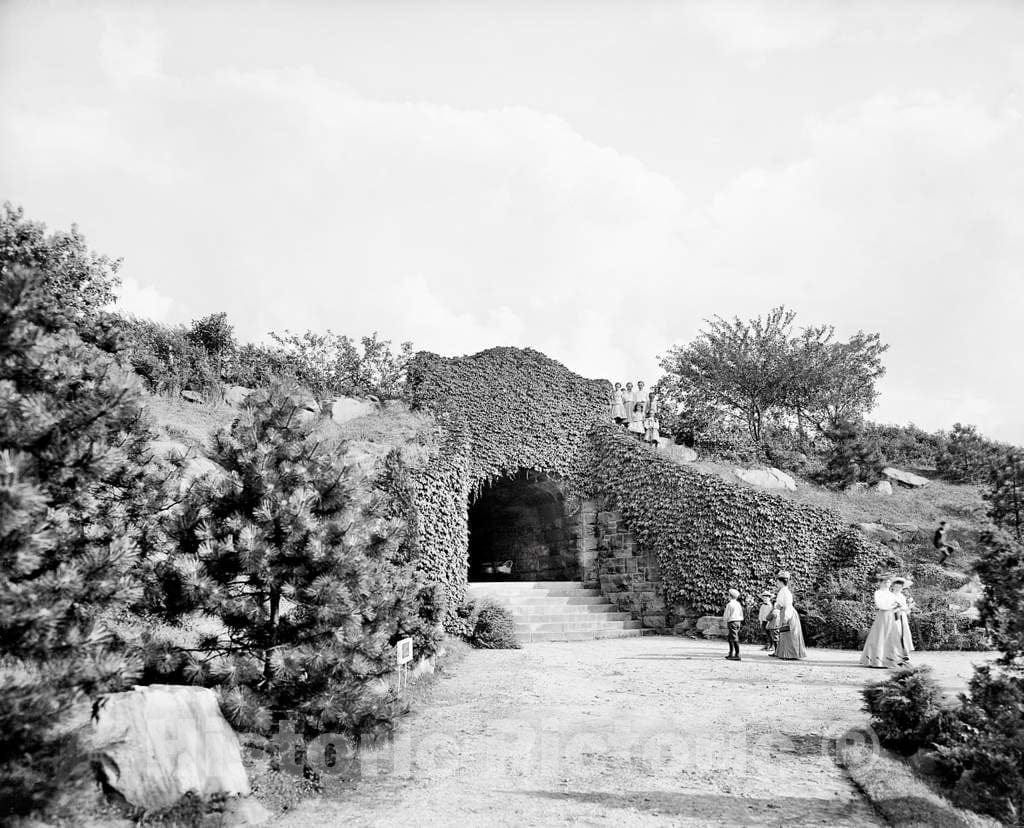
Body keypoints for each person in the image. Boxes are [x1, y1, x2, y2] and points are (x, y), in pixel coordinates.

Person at [860, 574, 902, 668]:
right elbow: (880, 605)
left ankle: (890, 660)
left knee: (891, 637)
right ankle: (876, 661)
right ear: (881, 583)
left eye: (889, 582)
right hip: (882, 616)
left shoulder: (891, 594)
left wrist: (897, 607)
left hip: (891, 616)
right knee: (879, 636)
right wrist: (891, 606)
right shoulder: (878, 593)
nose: (887, 583)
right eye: (885, 582)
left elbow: (895, 606)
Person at [772, 571, 807, 660]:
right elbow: (779, 604)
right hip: (783, 611)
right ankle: (783, 653)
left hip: (788, 612)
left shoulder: (786, 592)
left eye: (777, 582)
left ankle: (790, 654)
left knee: (788, 633)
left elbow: (788, 605)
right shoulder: (782, 591)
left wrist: (786, 617)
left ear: (780, 582)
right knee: (783, 633)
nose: (777, 583)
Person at [890, 577, 916, 663]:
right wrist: (899, 608)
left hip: (902, 617)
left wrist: (908, 607)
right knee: (895, 634)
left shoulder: (902, 596)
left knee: (903, 635)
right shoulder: (889, 595)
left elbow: (906, 609)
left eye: (900, 587)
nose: (898, 588)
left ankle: (904, 654)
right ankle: (892, 654)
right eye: (896, 586)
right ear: (893, 586)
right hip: (893, 617)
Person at [723, 588, 744, 660]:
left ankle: (737, 654)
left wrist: (724, 620)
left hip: (732, 622)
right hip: (738, 621)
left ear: (730, 596)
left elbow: (726, 615)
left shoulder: (729, 604)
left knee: (734, 638)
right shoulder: (738, 604)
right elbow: (741, 613)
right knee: (731, 637)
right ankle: (731, 653)